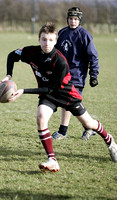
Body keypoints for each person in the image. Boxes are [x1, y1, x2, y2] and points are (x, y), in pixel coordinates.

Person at [0, 22, 117, 172]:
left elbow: (50, 88)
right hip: (48, 95)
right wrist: (9, 74)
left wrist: (23, 91)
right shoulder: (32, 52)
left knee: (89, 124)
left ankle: (111, 142)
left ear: (56, 41)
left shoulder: (60, 61)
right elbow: (12, 55)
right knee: (41, 117)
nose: (46, 43)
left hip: (66, 94)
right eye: (43, 39)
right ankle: (52, 160)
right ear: (38, 39)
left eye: (50, 40)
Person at [52, 7, 99, 141]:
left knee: (70, 102)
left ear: (80, 21)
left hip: (77, 75)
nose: (73, 21)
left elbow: (93, 56)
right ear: (67, 19)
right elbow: (55, 53)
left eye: (76, 19)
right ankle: (89, 128)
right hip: (62, 74)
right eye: (71, 19)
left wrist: (94, 75)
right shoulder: (61, 33)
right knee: (70, 102)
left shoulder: (84, 35)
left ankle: (64, 131)